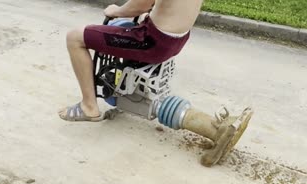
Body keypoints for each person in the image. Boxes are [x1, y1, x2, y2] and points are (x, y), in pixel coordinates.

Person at [59, 0, 204, 122]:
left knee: (74, 37)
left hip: (152, 42)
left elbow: (140, 5)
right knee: (142, 17)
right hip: (177, 39)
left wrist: (116, 10)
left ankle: (89, 107)